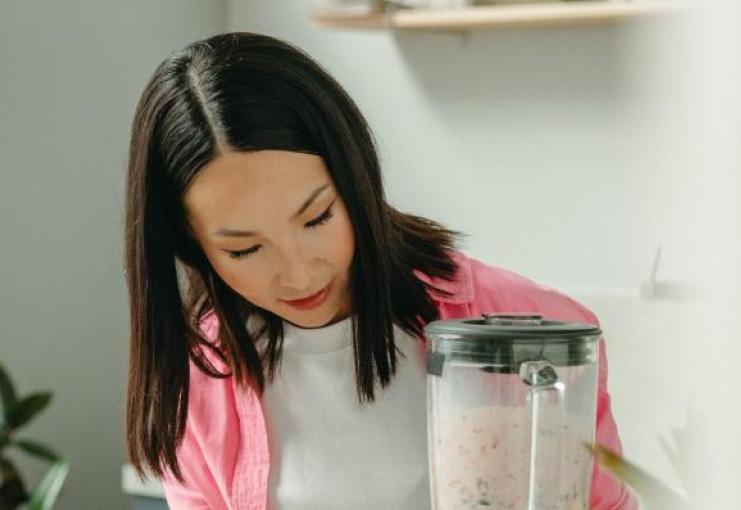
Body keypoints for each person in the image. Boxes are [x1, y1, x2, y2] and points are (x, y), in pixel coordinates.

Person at [123, 31, 636, 510]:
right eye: (244, 250)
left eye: (317, 217)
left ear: (355, 175)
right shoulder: (199, 378)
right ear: (190, 245)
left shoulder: (527, 323)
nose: (298, 275)